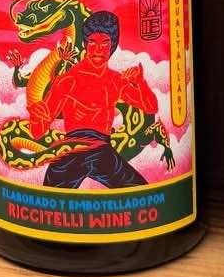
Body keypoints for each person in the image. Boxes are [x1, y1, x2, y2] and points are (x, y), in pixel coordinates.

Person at [28, 10, 158, 189]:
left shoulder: (115, 81)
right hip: (72, 151)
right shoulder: (67, 80)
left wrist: (140, 83)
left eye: (105, 43)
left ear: (112, 46)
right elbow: (37, 132)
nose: (98, 50)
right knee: (50, 199)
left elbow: (151, 107)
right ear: (85, 44)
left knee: (140, 191)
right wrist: (38, 118)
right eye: (92, 42)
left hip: (102, 152)